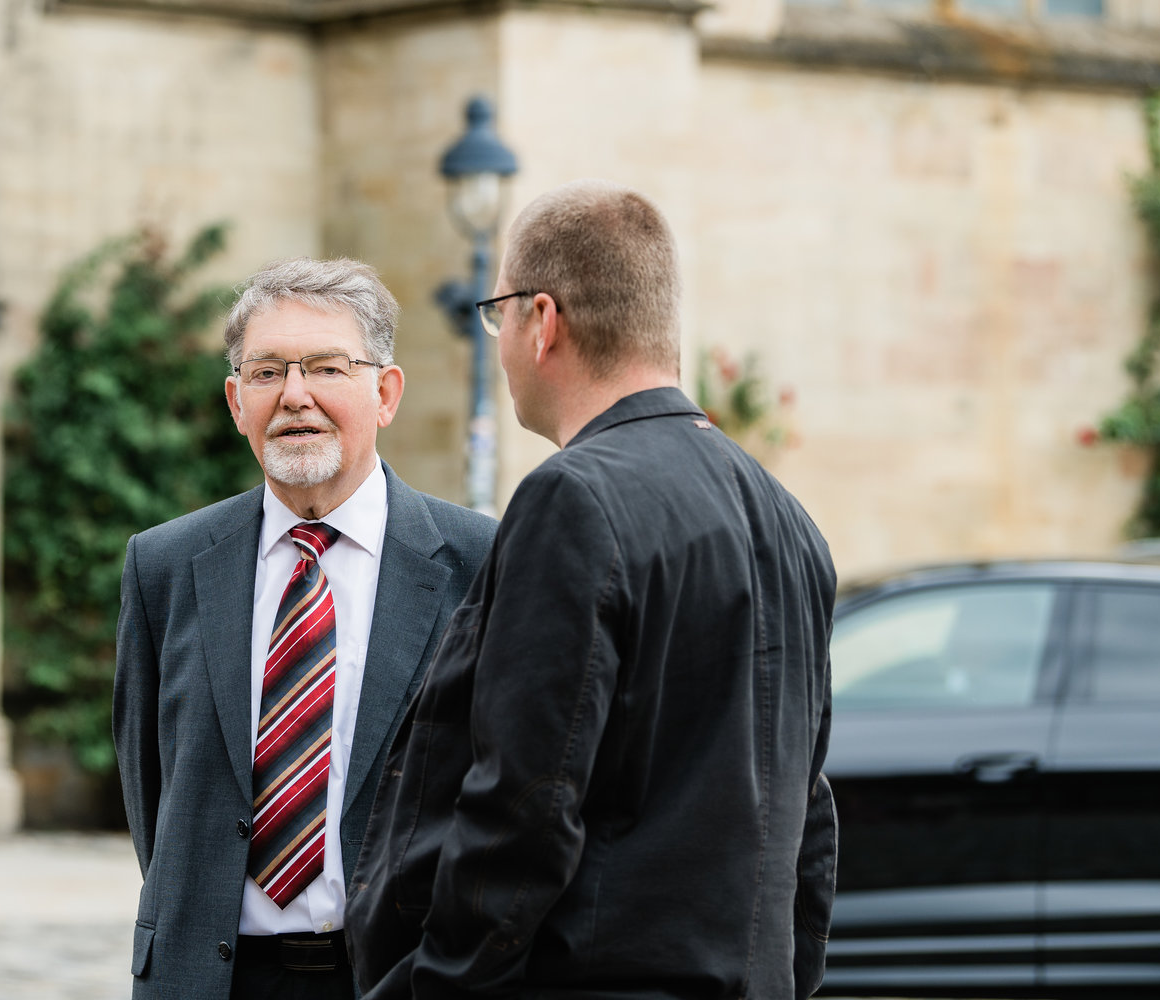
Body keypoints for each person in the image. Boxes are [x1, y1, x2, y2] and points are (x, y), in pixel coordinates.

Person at [347, 180, 839, 999]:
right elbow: (810, 819)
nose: (499, 339)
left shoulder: (572, 499)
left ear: (544, 321)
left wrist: (434, 985)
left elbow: (527, 805)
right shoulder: (790, 521)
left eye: (497, 313)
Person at [114, 256, 496, 1000]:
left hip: (400, 978)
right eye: (265, 373)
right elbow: (151, 791)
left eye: (326, 368)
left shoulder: (480, 564)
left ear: (385, 393)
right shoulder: (164, 565)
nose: (295, 396)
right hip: (211, 981)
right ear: (235, 402)